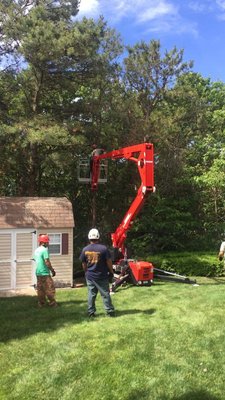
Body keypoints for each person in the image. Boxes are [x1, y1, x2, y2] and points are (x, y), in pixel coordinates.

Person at [79, 228, 115, 318]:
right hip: (102, 276)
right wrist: (111, 272)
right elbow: (109, 262)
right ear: (98, 236)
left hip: (90, 276)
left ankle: (91, 312)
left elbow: (83, 263)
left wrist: (86, 272)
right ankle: (109, 311)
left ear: (89, 237)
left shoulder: (85, 249)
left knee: (91, 294)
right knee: (105, 294)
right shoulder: (103, 249)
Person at [33, 234, 58, 308]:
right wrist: (52, 270)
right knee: (50, 288)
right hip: (45, 273)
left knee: (40, 289)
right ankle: (52, 304)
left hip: (38, 272)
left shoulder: (36, 250)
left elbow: (35, 259)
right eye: (47, 242)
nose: (48, 243)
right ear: (44, 242)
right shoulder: (44, 250)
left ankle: (41, 304)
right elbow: (47, 262)